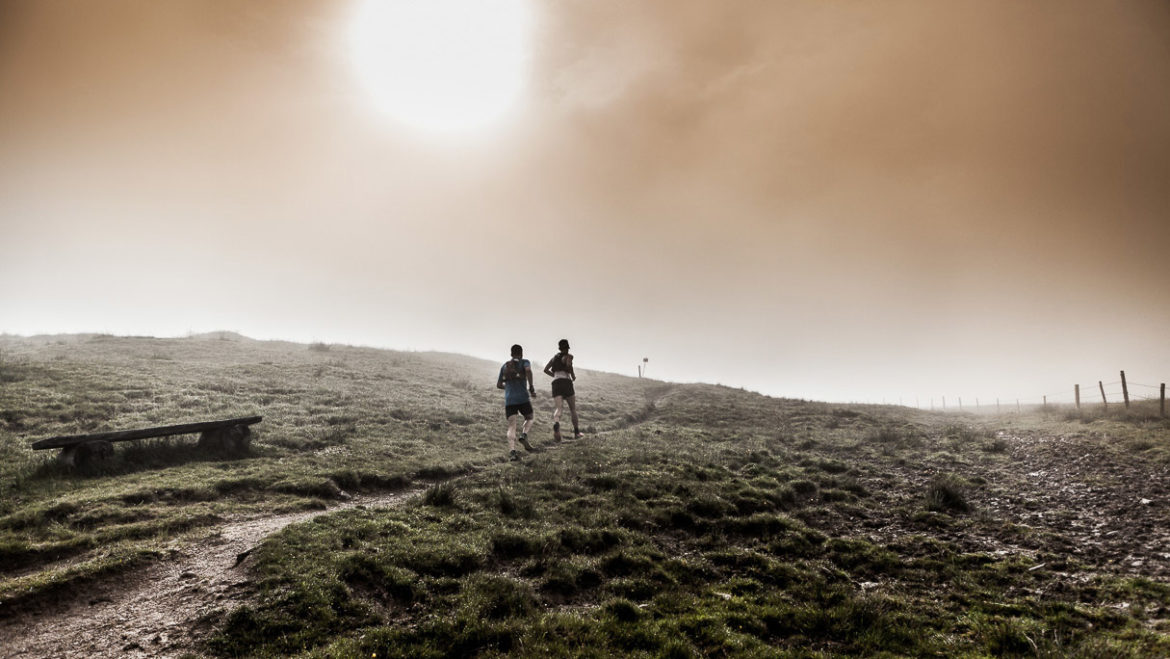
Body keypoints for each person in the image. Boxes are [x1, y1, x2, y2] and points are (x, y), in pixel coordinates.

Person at [497, 344, 536, 461]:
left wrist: (508, 388)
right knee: (530, 417)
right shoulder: (525, 362)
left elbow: (499, 385)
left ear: (511, 353)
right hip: (523, 398)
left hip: (510, 400)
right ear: (521, 353)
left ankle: (512, 452)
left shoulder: (505, 366)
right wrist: (531, 386)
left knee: (511, 425)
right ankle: (524, 434)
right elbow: (528, 371)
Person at [543, 338, 583, 439]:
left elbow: (545, 370)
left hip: (556, 382)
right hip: (566, 382)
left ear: (559, 348)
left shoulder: (554, 358)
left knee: (559, 408)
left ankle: (556, 423)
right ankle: (577, 433)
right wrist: (573, 375)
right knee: (572, 409)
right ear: (567, 348)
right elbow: (569, 366)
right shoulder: (568, 356)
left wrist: (556, 376)